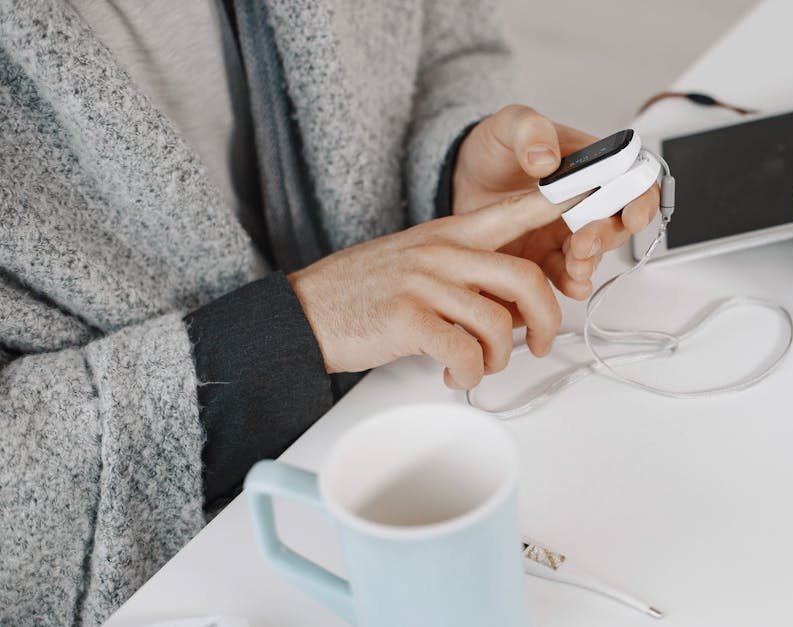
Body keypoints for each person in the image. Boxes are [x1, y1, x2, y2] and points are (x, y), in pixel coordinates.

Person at [0, 0, 657, 624]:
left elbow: (449, 39)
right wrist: (294, 328)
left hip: (412, 409)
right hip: (194, 575)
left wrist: (445, 178)